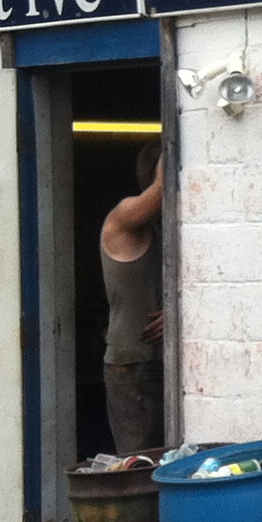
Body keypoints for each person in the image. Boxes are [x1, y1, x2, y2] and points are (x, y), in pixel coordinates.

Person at [100, 142, 166, 454]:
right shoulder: (123, 218)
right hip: (132, 365)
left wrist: (179, 312)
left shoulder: (171, 229)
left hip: (160, 361)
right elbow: (163, 189)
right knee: (137, 459)